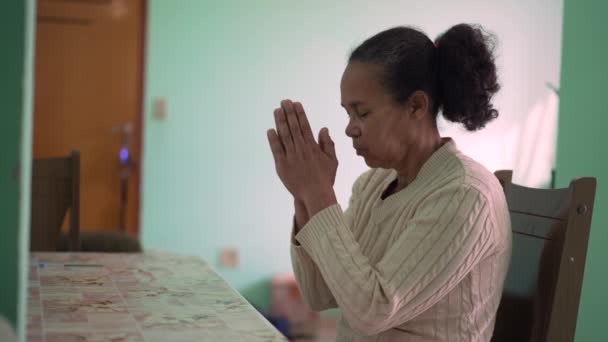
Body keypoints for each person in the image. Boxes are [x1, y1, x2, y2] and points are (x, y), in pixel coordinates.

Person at [266, 23, 512, 342]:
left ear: (416, 106)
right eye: (348, 114)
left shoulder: (465, 194)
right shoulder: (373, 184)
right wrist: (304, 195)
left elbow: (372, 313)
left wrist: (319, 194)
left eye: (362, 113)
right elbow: (319, 293)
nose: (350, 129)